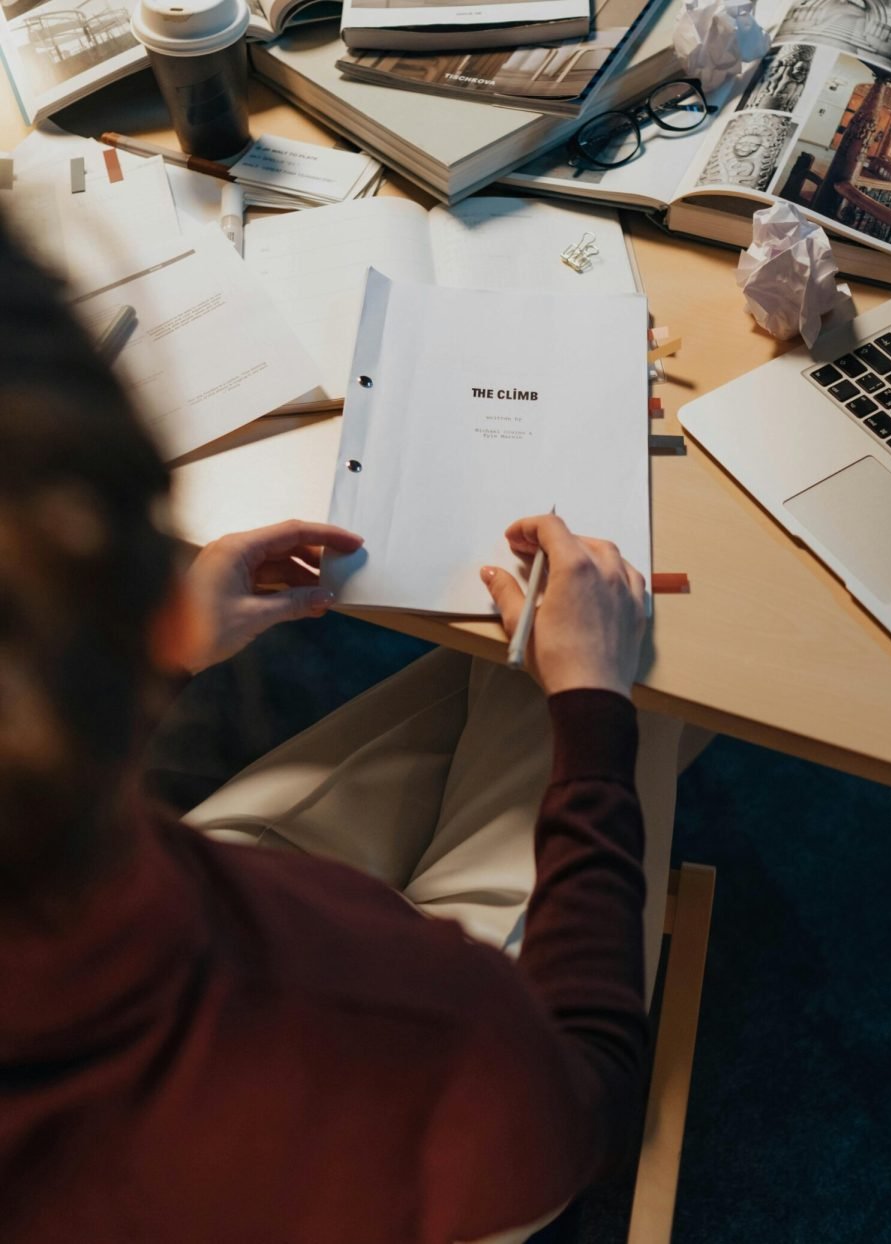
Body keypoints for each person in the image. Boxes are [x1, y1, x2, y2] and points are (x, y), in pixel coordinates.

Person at [0, 213, 681, 1243]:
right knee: (619, 676)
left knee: (494, 672)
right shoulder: (399, 1020)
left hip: (158, 935)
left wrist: (156, 659)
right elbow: (578, 1092)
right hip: (393, 1143)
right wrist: (591, 709)